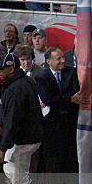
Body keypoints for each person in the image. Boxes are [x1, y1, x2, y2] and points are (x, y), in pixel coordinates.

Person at [0, 53, 44, 184]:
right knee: (13, 172)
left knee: (17, 180)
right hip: (30, 137)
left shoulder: (16, 88)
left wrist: (3, 147)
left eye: (2, 70)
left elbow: (13, 121)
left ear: (11, 69)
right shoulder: (25, 81)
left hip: (23, 140)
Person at [37, 47, 81, 175]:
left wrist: (67, 99)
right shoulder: (41, 77)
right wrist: (70, 99)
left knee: (71, 162)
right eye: (58, 58)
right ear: (48, 61)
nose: (63, 60)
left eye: (63, 57)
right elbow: (48, 99)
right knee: (54, 163)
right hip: (52, 126)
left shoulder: (72, 72)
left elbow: (76, 94)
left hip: (70, 124)